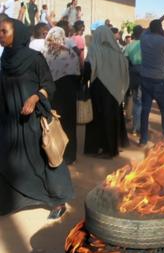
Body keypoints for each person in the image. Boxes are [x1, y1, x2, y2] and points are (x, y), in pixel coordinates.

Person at [0, 19, 74, 219]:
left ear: (18, 34)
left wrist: (34, 98)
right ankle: (11, 200)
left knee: (43, 158)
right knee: (8, 159)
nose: (0, 35)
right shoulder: (5, 58)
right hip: (10, 118)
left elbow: (49, 85)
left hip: (33, 119)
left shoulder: (34, 59)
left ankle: (59, 199)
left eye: (4, 31)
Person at [84, 25, 129, 157]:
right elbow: (125, 72)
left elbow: (89, 67)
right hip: (115, 91)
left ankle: (94, 147)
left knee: (97, 119)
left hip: (99, 88)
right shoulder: (118, 52)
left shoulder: (94, 49)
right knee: (111, 119)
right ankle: (111, 149)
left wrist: (83, 81)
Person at [139, 19, 164, 145]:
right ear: (160, 29)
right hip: (158, 81)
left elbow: (147, 29)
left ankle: (143, 139)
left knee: (145, 110)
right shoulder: (163, 41)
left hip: (145, 79)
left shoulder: (144, 38)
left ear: (150, 29)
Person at [43, 26, 80, 164]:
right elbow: (77, 76)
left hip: (50, 95)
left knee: (51, 124)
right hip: (68, 95)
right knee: (69, 124)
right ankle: (69, 156)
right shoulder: (71, 54)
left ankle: (52, 154)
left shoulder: (44, 54)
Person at [124, 25, 144, 136]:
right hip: (144, 73)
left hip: (133, 74)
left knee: (136, 101)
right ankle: (139, 128)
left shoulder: (129, 46)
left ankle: (136, 128)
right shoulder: (145, 45)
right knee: (142, 102)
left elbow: (126, 61)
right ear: (141, 33)